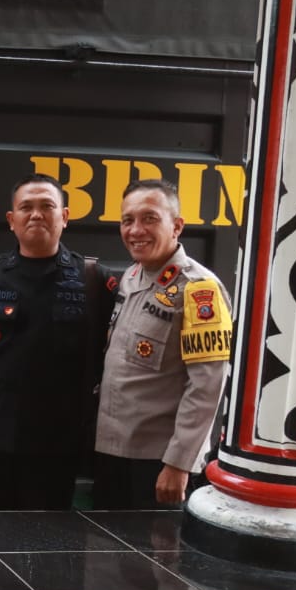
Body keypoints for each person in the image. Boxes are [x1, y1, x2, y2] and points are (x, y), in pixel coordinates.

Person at [0, 173, 114, 511]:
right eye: (26, 207)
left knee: (52, 536)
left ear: (65, 217)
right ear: (12, 220)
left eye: (47, 206)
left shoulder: (92, 280)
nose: (36, 214)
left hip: (61, 444)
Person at [94, 179, 232, 507]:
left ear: (177, 226)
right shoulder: (131, 277)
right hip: (112, 452)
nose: (135, 230)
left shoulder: (199, 289)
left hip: (158, 462)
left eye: (150, 218)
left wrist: (179, 463)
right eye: (127, 220)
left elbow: (207, 386)